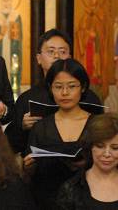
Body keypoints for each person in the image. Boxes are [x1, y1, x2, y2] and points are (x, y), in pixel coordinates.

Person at [6, 29, 102, 154]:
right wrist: (22, 127)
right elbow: (11, 146)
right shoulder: (27, 98)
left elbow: (102, 138)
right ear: (39, 58)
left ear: (70, 57)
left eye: (62, 51)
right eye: (51, 51)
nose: (57, 56)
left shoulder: (89, 97)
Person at [24, 58, 93, 210]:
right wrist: (28, 167)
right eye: (58, 86)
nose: (65, 92)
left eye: (72, 86)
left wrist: (88, 163)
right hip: (46, 201)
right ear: (50, 88)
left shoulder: (96, 125)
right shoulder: (40, 127)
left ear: (83, 87)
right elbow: (30, 175)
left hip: (89, 200)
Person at [56, 113, 118, 209]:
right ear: (90, 147)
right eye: (100, 146)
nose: (106, 154)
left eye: (115, 148)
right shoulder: (71, 188)